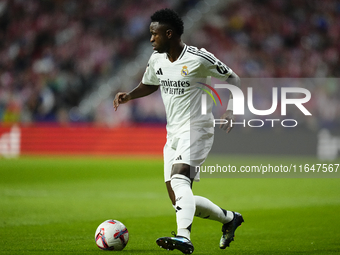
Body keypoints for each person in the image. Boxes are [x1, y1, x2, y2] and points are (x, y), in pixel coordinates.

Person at [113, 8, 243, 254]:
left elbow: (234, 78)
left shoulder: (198, 58)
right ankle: (229, 219)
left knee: (180, 178)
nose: (151, 39)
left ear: (169, 34)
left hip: (197, 129)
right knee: (179, 199)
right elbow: (150, 83)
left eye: (155, 34)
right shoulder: (157, 59)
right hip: (172, 133)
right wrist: (130, 95)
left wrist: (230, 110)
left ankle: (184, 237)